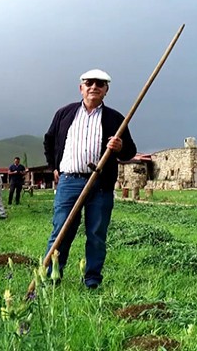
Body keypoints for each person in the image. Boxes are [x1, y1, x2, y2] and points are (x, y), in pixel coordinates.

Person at [42, 69, 137, 289]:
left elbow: (130, 152)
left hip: (101, 184)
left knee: (96, 232)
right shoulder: (65, 114)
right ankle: (52, 275)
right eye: (89, 83)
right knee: (61, 230)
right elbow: (49, 141)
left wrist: (120, 147)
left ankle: (92, 279)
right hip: (69, 181)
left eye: (100, 84)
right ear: (81, 88)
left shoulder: (115, 119)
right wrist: (54, 167)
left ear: (106, 90)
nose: (94, 86)